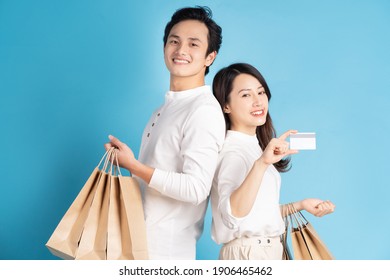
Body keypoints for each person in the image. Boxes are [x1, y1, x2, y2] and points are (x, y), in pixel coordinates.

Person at [104, 6, 225, 260]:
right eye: (174, 41)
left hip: (166, 254)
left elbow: (196, 188)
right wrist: (128, 164)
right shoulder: (163, 109)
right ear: (164, 47)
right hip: (136, 245)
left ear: (209, 57)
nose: (181, 50)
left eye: (193, 44)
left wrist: (135, 166)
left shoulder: (203, 109)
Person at [210, 63, 335, 260]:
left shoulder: (254, 147)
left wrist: (300, 205)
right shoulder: (232, 152)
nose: (258, 101)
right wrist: (262, 164)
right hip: (249, 254)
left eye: (260, 92)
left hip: (267, 250)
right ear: (226, 105)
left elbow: (256, 215)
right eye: (245, 95)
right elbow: (233, 214)